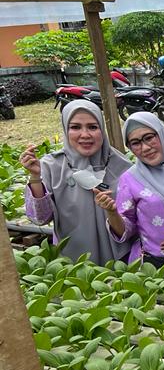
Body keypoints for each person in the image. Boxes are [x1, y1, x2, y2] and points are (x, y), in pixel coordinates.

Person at [19, 100, 132, 264]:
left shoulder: (122, 166)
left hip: (123, 262)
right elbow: (40, 218)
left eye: (93, 127)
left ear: (102, 130)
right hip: (73, 265)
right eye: (75, 127)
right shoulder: (51, 166)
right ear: (65, 130)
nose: (85, 135)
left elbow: (135, 223)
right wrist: (36, 178)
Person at [93, 111, 164, 267]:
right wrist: (112, 212)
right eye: (135, 143)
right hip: (154, 268)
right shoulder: (130, 180)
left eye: (149, 138)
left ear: (162, 134)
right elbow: (126, 231)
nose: (145, 147)